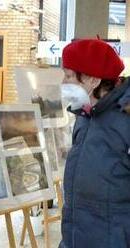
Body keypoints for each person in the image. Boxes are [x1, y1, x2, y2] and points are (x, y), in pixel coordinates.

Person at [59, 39, 130, 247]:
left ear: (93, 80)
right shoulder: (84, 117)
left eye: (69, 75)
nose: (63, 83)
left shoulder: (125, 121)